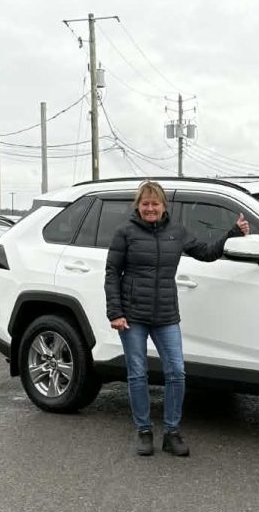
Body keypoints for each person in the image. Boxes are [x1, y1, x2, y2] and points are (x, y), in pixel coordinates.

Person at [105, 180, 249, 457]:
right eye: (145, 203)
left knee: (177, 373)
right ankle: (144, 431)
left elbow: (206, 253)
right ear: (138, 205)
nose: (150, 208)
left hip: (166, 314)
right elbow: (112, 273)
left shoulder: (176, 232)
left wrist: (233, 233)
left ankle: (172, 432)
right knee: (137, 375)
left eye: (154, 203)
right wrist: (116, 312)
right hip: (132, 315)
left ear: (163, 206)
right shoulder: (125, 232)